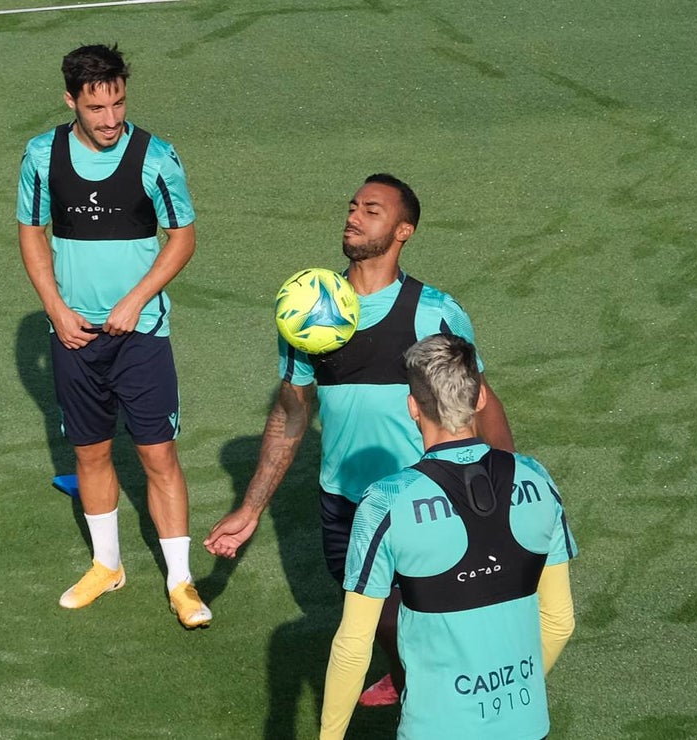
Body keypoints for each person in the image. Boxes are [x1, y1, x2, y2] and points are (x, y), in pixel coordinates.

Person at [204, 173, 515, 701]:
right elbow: (293, 412)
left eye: (372, 210)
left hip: (421, 498)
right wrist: (251, 508)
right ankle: (405, 677)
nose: (353, 216)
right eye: (352, 207)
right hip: (346, 504)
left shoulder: (432, 311)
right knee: (371, 612)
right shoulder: (307, 308)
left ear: (403, 231)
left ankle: (436, 700)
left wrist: (502, 489)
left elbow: (480, 399)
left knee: (407, 616)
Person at [16, 44, 210, 629]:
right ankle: (109, 566)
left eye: (119, 103)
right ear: (71, 99)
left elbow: (183, 237)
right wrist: (55, 308)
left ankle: (180, 580)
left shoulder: (156, 157)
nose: (110, 120)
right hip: (73, 336)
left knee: (158, 455)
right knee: (91, 452)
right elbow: (31, 232)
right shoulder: (41, 156)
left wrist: (136, 299)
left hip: (141, 335)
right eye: (97, 108)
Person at [320, 333, 577, 739]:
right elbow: (559, 622)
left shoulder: (385, 503)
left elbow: (353, 646)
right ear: (479, 400)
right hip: (527, 725)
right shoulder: (537, 481)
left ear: (412, 408)